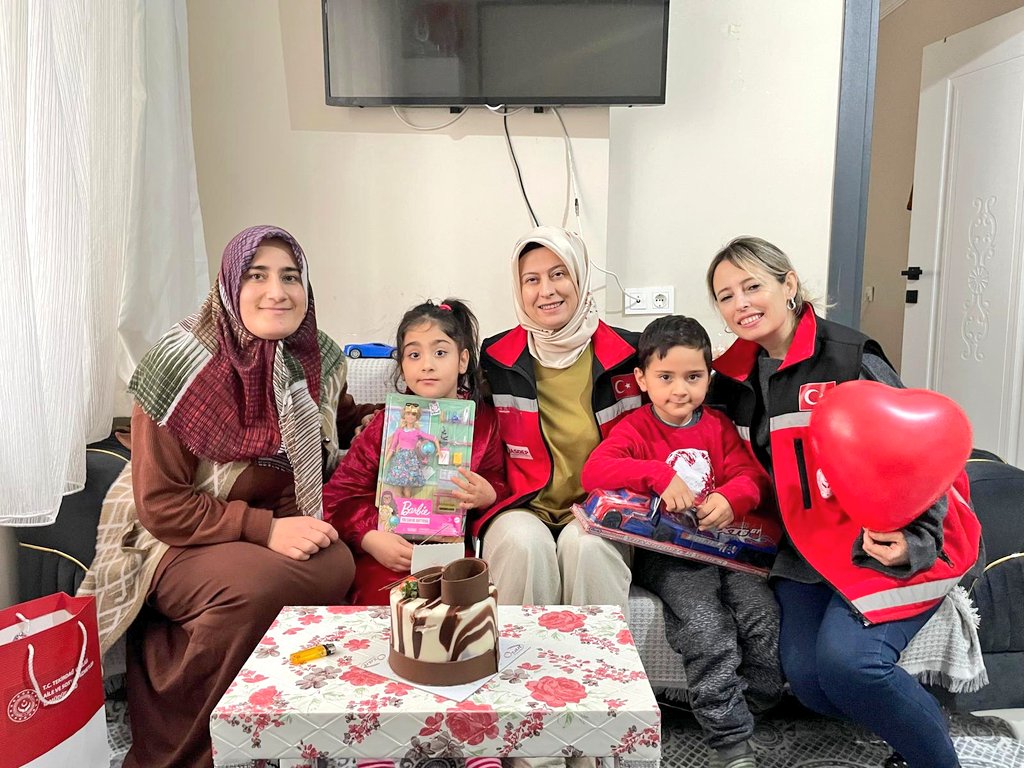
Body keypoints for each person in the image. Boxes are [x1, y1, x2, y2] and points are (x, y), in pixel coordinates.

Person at [76, 226, 357, 767]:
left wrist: (402, 426)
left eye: (290, 277)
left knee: (337, 562)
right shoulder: (178, 367)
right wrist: (266, 531)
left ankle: (276, 730)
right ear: (229, 286)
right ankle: (189, 746)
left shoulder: (316, 356)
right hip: (175, 538)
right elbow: (162, 505)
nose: (277, 292)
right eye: (257, 276)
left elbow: (335, 422)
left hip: (279, 530)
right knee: (255, 588)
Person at [704, 236, 983, 768]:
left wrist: (916, 539)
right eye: (725, 295)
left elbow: (921, 448)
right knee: (810, 682)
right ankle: (911, 724)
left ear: (788, 284)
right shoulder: (731, 379)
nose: (740, 303)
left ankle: (931, 755)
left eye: (752, 286)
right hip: (804, 552)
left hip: (881, 538)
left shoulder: (850, 357)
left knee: (851, 666)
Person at [581, 315, 782, 768]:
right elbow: (594, 472)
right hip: (669, 558)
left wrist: (732, 497)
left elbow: (751, 477)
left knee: (763, 618)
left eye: (693, 377)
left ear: (709, 378)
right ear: (641, 379)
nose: (679, 390)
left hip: (728, 550)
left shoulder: (718, 426)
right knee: (706, 627)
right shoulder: (634, 428)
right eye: (665, 377)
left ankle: (749, 707)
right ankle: (730, 741)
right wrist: (656, 474)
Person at [480, 225, 640, 616]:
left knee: (588, 547)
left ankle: (596, 657)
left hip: (603, 506)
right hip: (520, 505)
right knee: (523, 544)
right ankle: (518, 655)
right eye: (532, 280)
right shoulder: (495, 357)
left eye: (558, 274)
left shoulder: (631, 353)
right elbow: (458, 413)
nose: (547, 290)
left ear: (580, 277)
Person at [323, 299, 507, 607]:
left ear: (462, 360)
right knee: (392, 607)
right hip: (387, 556)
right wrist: (369, 537)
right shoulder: (385, 423)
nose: (427, 365)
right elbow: (336, 497)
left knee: (459, 608)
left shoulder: (483, 421)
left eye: (440, 352)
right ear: (402, 364)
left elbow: (498, 480)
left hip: (451, 555)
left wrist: (489, 494)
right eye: (414, 354)